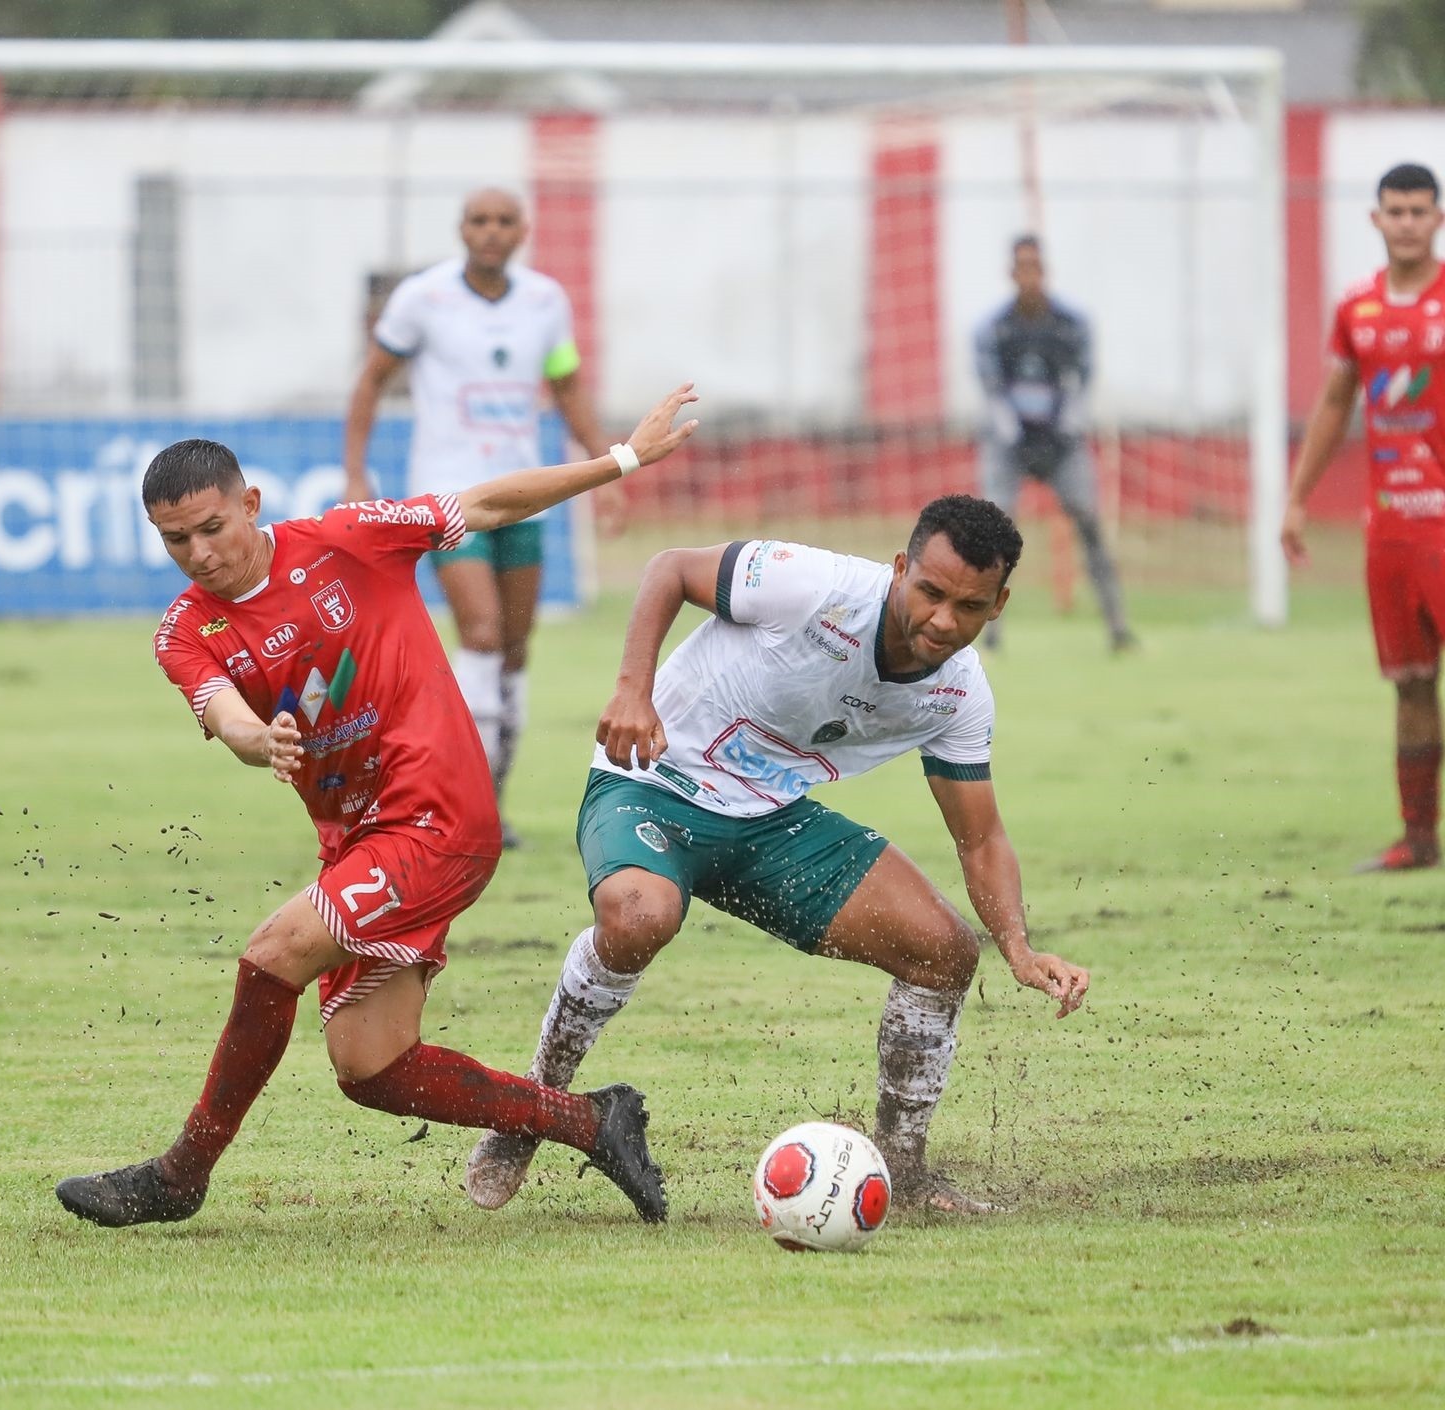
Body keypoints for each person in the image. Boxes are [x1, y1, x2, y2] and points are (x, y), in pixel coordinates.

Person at [53, 385, 700, 1229]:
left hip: (439, 816)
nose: (200, 553)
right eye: (176, 540)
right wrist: (258, 741)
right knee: (371, 1068)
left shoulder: (348, 539)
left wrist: (621, 459)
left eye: (213, 528)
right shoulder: (183, 629)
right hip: (359, 842)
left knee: (274, 953)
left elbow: (487, 500)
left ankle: (183, 1172)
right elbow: (221, 708)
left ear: (250, 504)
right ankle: (591, 1121)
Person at [464, 496, 1091, 1217]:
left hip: (768, 823)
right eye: (930, 591)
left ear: (1000, 605)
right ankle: (529, 1113)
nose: (944, 620)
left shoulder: (957, 694)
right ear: (899, 569)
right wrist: (633, 692)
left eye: (970, 606)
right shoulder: (811, 585)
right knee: (638, 916)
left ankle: (906, 1172)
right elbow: (669, 571)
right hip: (653, 783)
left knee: (944, 951)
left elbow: (980, 836)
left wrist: (1016, 945)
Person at [343, 188, 611, 846]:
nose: (491, 232)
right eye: (479, 220)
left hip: (523, 493)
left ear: (523, 230)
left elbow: (566, 383)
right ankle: (461, 801)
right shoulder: (422, 299)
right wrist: (356, 469)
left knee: (516, 650)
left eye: (504, 221)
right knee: (483, 633)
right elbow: (373, 377)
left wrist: (607, 468)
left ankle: (492, 799)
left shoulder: (546, 301)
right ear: (461, 228)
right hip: (447, 498)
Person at [1283, 162, 1445, 872]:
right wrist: (1296, 497)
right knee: (1411, 683)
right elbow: (1334, 404)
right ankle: (1418, 838)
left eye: (1419, 210)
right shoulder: (1356, 307)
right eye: (1395, 211)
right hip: (1391, 530)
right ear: (1376, 220)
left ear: (1438, 218)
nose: (1407, 222)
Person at [975, 235, 1133, 651]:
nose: (1029, 275)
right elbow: (991, 390)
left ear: (1045, 271)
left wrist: (1065, 426)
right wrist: (1013, 430)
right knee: (991, 532)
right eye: (1021, 267)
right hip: (1010, 446)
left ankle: (1117, 625)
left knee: (1089, 522)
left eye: (1035, 266)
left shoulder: (1070, 325)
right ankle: (986, 631)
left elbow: (1082, 382)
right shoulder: (994, 328)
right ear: (1011, 273)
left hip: (1062, 445)